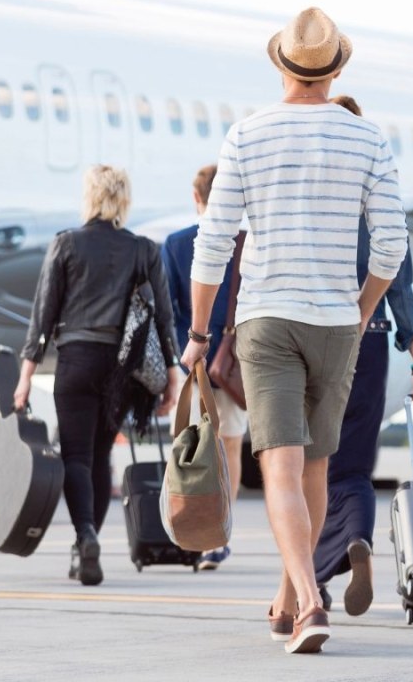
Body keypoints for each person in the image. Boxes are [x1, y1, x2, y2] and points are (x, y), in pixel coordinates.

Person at [183, 7, 407, 654]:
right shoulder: (369, 140)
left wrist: (199, 332)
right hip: (337, 323)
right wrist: (362, 310)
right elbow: (391, 246)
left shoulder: (246, 136)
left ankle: (310, 603)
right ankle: (288, 597)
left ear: (280, 65)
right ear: (337, 69)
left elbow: (213, 243)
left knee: (278, 466)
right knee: (315, 466)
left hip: (268, 319)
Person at [15, 165, 180, 587]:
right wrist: (172, 377)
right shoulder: (143, 249)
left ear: (89, 197)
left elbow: (43, 315)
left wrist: (25, 376)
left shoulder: (65, 244)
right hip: (119, 368)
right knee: (101, 454)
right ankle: (88, 541)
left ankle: (84, 536)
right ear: (123, 200)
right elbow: (164, 316)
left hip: (75, 359)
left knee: (75, 455)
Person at [311, 95, 413, 618]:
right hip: (369, 339)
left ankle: (311, 579)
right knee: (354, 470)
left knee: (306, 468)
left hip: (312, 337)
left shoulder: (310, 194)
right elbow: (401, 282)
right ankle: (355, 539)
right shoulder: (380, 194)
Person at [162, 163, 247, 572]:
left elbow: (167, 310)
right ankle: (219, 533)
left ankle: (188, 526)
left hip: (190, 359)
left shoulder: (177, 245)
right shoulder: (249, 244)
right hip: (233, 367)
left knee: (187, 447)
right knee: (228, 447)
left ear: (196, 199)